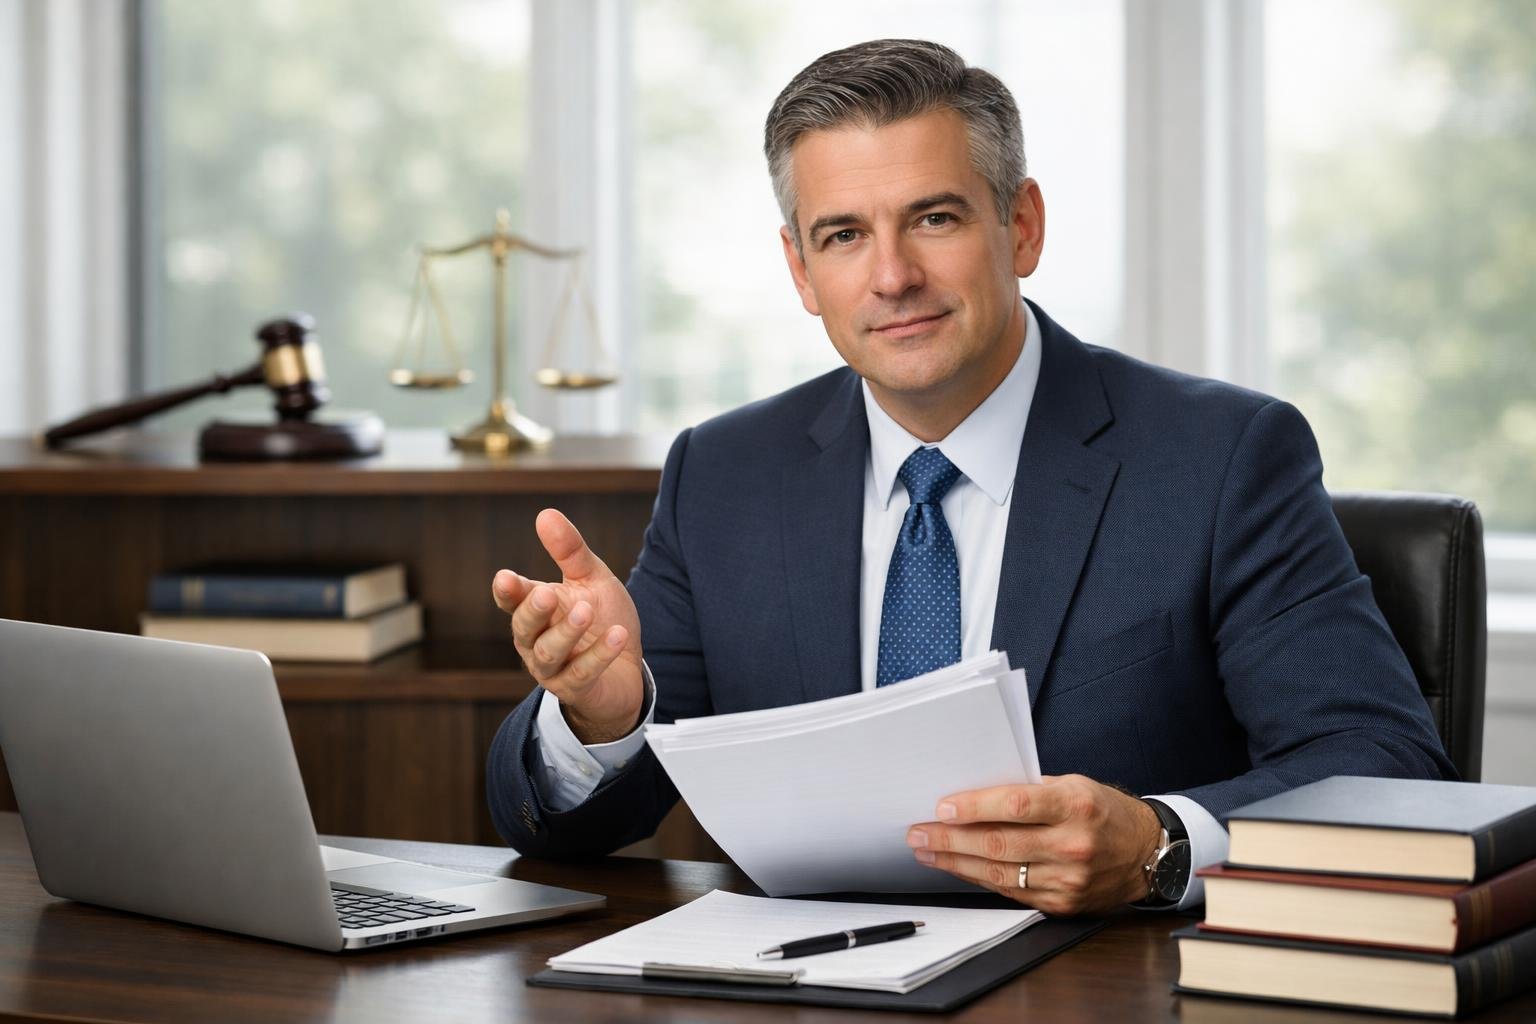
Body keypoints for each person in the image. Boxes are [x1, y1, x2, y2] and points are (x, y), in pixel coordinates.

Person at [484, 38, 1452, 915]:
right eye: (843, 235)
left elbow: (1386, 766)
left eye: (934, 217)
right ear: (801, 270)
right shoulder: (726, 474)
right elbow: (564, 828)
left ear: (1020, 226)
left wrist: (1159, 845)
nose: (892, 276)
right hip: (811, 991)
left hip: (1106, 984)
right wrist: (602, 717)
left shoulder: (1221, 456)